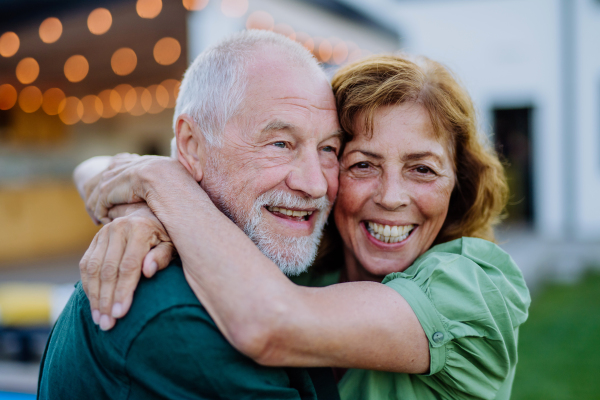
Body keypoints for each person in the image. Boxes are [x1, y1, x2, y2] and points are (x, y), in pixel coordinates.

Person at [79, 54, 531, 399]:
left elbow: (269, 323)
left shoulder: (475, 287)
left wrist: (162, 183)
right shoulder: (306, 257)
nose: (391, 196)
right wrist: (142, 210)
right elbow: (90, 168)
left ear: (459, 182)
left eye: (423, 170)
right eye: (362, 165)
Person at [37, 30, 344, 400]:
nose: (315, 184)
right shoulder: (177, 314)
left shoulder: (280, 248)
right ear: (191, 146)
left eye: (329, 148)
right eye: (280, 143)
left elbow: (95, 170)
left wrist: (150, 202)